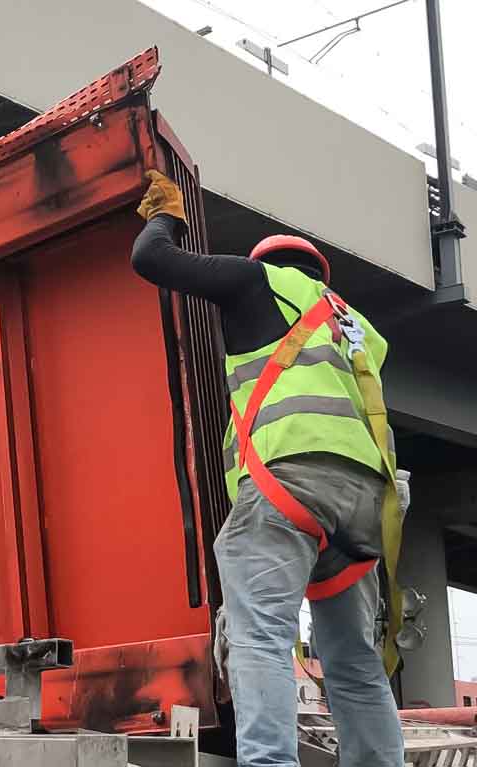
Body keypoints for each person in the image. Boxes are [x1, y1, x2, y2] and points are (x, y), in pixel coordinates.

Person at [131, 171, 404, 767]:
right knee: (356, 666)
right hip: (364, 505)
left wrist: (164, 216)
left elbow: (152, 259)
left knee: (260, 639)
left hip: (288, 485)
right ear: (320, 275)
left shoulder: (259, 281)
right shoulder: (360, 331)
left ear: (269, 263)